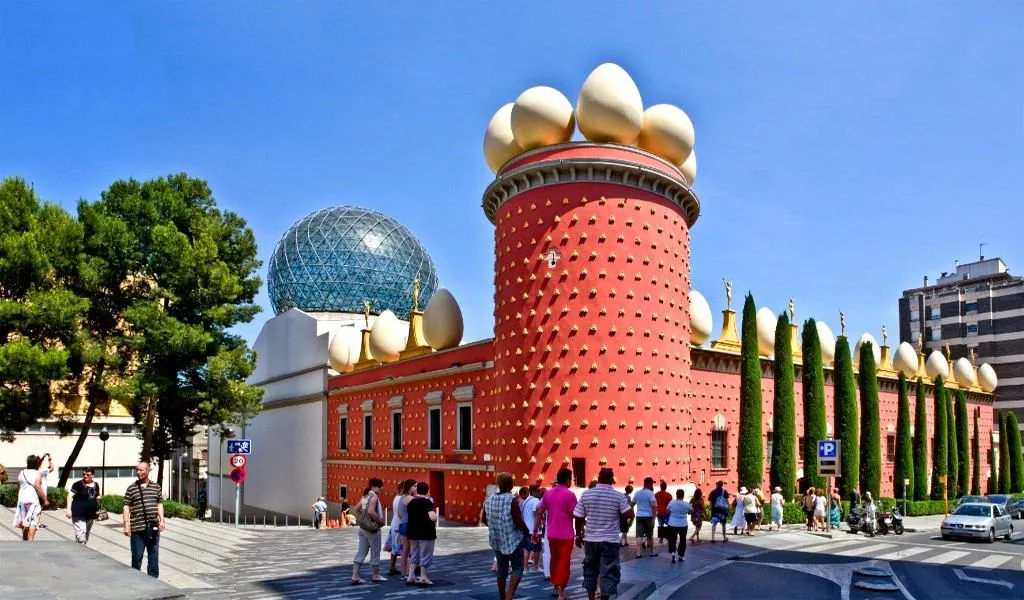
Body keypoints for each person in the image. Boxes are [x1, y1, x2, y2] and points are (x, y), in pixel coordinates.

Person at [574, 467, 634, 600]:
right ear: (612, 480)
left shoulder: (586, 494)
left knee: (590, 570)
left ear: (599, 479)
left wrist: (578, 535)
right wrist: (622, 518)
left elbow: (578, 516)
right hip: (610, 540)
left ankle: (591, 598)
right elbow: (629, 514)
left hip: (590, 540)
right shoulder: (618, 496)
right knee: (608, 571)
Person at [482, 472, 529, 600]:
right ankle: (509, 596)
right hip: (513, 540)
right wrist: (527, 532)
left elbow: (484, 519)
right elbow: (518, 521)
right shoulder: (511, 500)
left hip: (497, 540)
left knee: (502, 570)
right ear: (510, 485)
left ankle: (502, 597)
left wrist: (495, 526)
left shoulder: (489, 499)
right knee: (517, 568)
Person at [534, 468, 577, 600]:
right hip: (566, 535)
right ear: (567, 479)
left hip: (551, 534)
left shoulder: (548, 494)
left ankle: (555, 586)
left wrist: (535, 530)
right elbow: (576, 513)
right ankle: (561, 592)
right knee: (564, 562)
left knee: (554, 560)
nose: (572, 481)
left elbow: (538, 510)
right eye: (571, 479)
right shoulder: (570, 495)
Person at [122, 462, 166, 578]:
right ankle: (135, 579)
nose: (138, 472)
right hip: (137, 529)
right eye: (137, 470)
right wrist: (126, 525)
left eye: (141, 470)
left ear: (148, 471)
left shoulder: (156, 487)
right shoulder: (132, 488)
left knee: (153, 555)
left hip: (153, 528)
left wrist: (162, 520)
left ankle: (153, 580)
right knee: (137, 556)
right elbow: (126, 507)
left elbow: (159, 504)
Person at [351, 478, 387, 584]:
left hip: (363, 528)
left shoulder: (366, 496)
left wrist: (363, 518)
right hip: (372, 529)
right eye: (380, 486)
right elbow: (371, 511)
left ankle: (355, 576)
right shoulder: (374, 497)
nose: (381, 488)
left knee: (361, 551)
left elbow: (356, 509)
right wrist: (379, 521)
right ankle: (376, 575)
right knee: (375, 552)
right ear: (374, 486)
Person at [405, 482, 438, 586]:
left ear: (417, 490)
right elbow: (433, 517)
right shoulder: (427, 502)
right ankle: (423, 576)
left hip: (412, 532)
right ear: (427, 490)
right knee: (425, 554)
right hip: (425, 532)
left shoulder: (411, 502)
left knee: (413, 553)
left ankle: (411, 576)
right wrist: (435, 515)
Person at [12, 454, 47, 541]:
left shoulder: (22, 472)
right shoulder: (37, 473)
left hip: (22, 500)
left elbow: (18, 485)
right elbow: (38, 487)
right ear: (36, 463)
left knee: (24, 519)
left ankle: (25, 539)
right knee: (33, 520)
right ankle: (30, 541)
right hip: (33, 500)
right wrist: (45, 499)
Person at [387, 479, 414, 576]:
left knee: (395, 547)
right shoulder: (403, 498)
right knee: (406, 549)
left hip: (395, 523)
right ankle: (406, 569)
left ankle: (392, 566)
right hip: (400, 523)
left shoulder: (396, 497)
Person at [66, 467, 100, 544]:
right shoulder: (77, 484)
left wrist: (98, 498)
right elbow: (69, 496)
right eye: (84, 474)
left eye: (88, 474)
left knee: (86, 534)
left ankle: (80, 548)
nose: (85, 476)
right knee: (81, 534)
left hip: (91, 514)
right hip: (78, 513)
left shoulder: (96, 485)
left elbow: (96, 496)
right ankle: (80, 547)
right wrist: (68, 510)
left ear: (93, 475)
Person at [632, 477, 658, 557]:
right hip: (648, 516)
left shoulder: (637, 493)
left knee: (639, 535)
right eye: (652, 483)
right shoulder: (650, 493)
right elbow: (653, 506)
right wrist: (654, 518)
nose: (652, 485)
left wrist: (632, 514)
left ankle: (638, 553)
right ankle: (652, 552)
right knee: (649, 535)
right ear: (649, 483)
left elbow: (632, 504)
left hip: (639, 516)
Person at [520, 485, 542, 574]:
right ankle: (536, 567)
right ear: (533, 491)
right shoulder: (535, 500)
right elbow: (536, 513)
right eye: (538, 490)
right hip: (534, 530)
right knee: (537, 549)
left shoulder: (526, 500)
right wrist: (537, 528)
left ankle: (525, 568)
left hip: (526, 529)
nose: (540, 492)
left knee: (526, 549)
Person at [666, 489, 692, 564]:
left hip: (672, 524)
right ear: (683, 495)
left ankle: (673, 553)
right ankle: (681, 556)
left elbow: (667, 511)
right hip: (683, 524)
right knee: (683, 539)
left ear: (676, 494)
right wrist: (686, 512)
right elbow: (691, 511)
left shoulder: (672, 502)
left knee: (672, 539)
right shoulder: (686, 504)